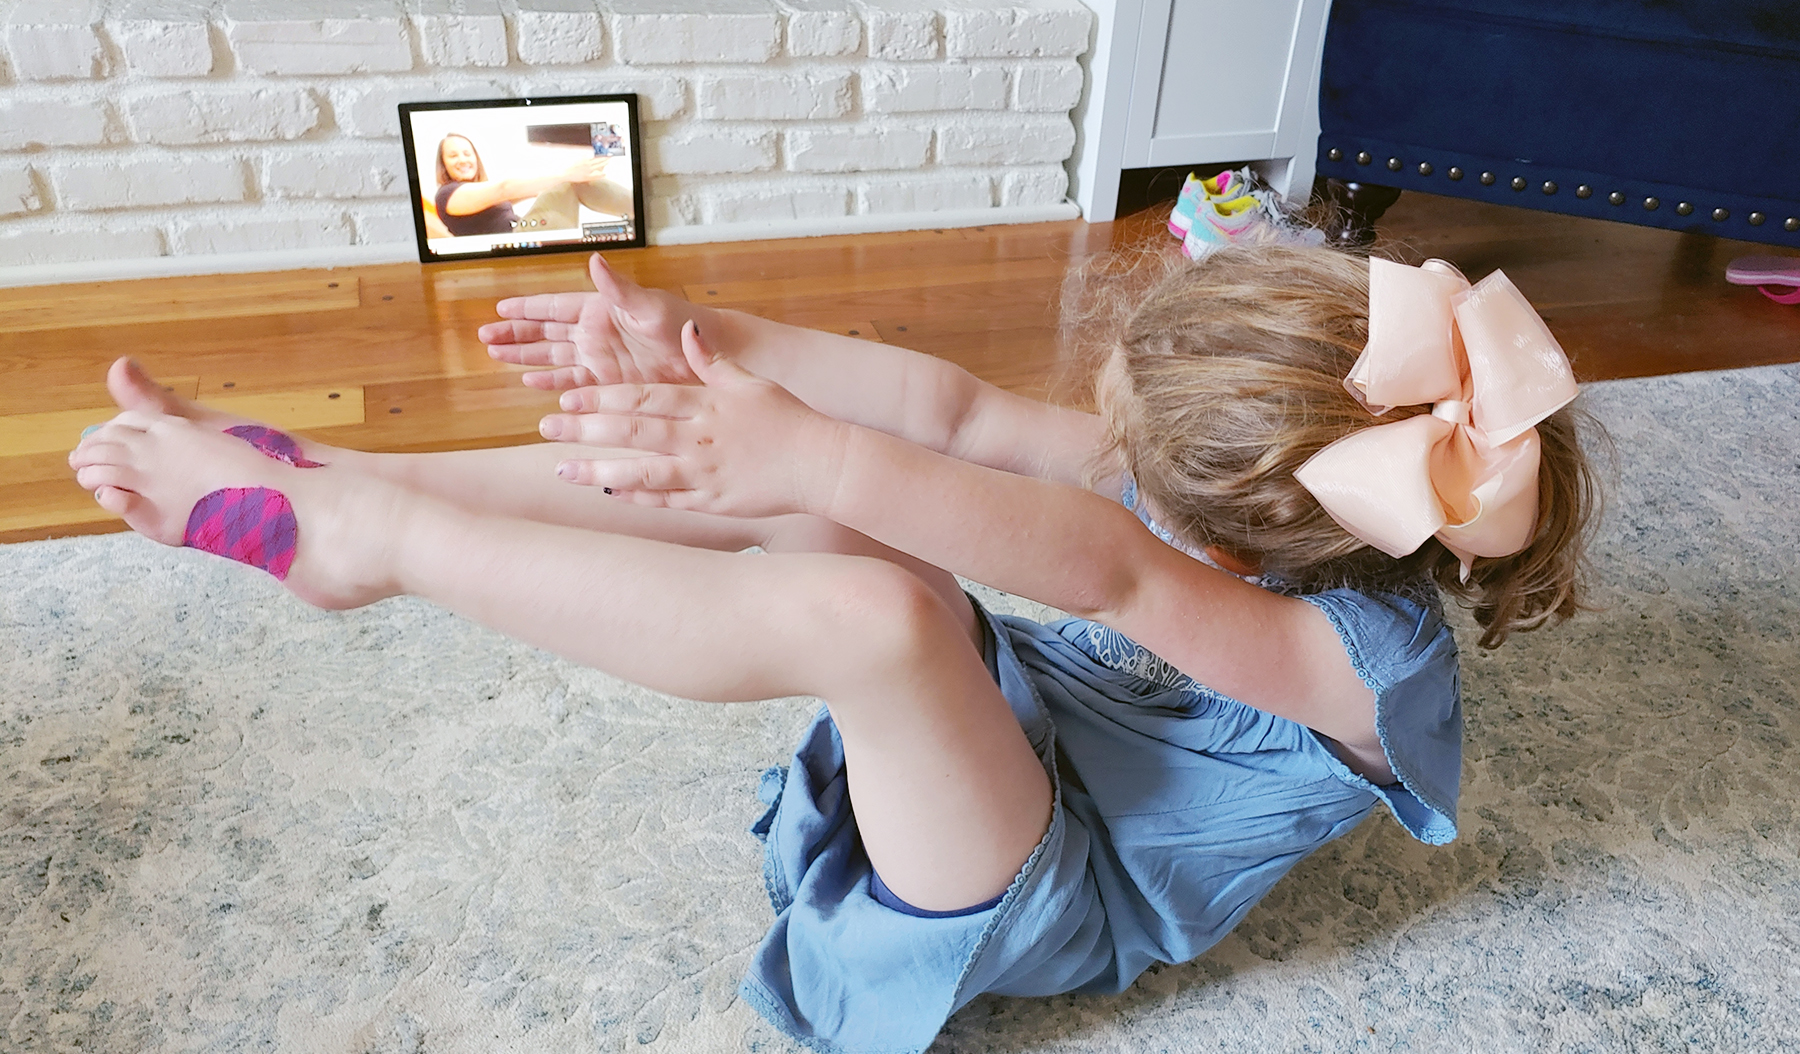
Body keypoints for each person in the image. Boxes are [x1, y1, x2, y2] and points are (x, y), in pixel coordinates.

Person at [68, 243, 1599, 1053]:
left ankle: (379, 550)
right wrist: (714, 349)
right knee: (817, 522)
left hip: (1050, 887)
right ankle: (370, 496)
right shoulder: (1234, 490)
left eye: (1142, 447)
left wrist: (804, 458)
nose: (1108, 452)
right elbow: (952, 416)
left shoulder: (1356, 664)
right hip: (1024, 739)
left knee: (859, 603)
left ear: (1265, 522)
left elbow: (1115, 571)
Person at [432, 133, 631, 238]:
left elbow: (519, 191)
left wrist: (569, 174)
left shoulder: (477, 194)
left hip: (526, 232)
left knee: (569, 179)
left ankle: (634, 211)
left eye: (467, 153)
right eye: (453, 155)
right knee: (568, 179)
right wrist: (566, 174)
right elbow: (505, 188)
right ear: (443, 164)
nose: (462, 159)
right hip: (517, 240)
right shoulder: (447, 194)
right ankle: (636, 210)